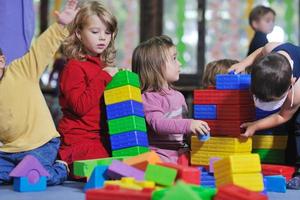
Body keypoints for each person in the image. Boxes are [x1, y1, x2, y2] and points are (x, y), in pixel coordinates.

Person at [0, 0, 79, 185]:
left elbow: (42, 48)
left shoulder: (21, 70)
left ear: (1, 61)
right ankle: (16, 173)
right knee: (21, 174)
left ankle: (60, 168)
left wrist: (61, 25)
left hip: (40, 145)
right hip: (9, 150)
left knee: (33, 176)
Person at [229, 42, 300, 189]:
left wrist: (256, 124)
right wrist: (243, 64)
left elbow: (282, 116)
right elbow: (261, 50)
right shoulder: (270, 49)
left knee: (298, 125)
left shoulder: (296, 91)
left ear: (290, 83)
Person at [58, 1, 118, 172]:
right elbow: (79, 106)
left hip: (101, 137)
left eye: (108, 32)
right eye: (95, 32)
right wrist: (105, 77)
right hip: (79, 139)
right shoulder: (74, 67)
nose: (102, 37)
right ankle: (62, 165)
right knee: (108, 172)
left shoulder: (102, 66)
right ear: (78, 33)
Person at [132, 35, 210, 164]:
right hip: (159, 156)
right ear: (156, 66)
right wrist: (189, 124)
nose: (179, 63)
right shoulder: (149, 97)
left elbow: (183, 134)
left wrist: (195, 133)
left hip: (179, 154)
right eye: (174, 59)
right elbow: (158, 124)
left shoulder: (178, 96)